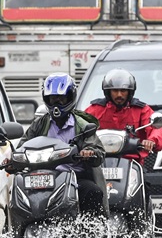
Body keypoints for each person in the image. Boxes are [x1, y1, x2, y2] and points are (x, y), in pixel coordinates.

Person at [17, 72, 108, 219]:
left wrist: (89, 152)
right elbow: (23, 146)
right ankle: (16, 235)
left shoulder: (82, 125)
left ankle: (92, 234)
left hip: (74, 178)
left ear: (70, 98)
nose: (57, 104)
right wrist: (12, 160)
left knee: (93, 192)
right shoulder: (39, 125)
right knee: (17, 193)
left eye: (61, 99)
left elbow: (98, 150)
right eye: (53, 99)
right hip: (42, 179)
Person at [84, 68, 162, 164]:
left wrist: (151, 140)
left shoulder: (142, 110)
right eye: (115, 90)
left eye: (123, 90)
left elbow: (155, 129)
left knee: (144, 178)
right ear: (108, 92)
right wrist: (84, 147)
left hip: (132, 162)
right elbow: (80, 128)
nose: (119, 95)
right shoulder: (95, 109)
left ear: (130, 92)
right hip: (98, 161)